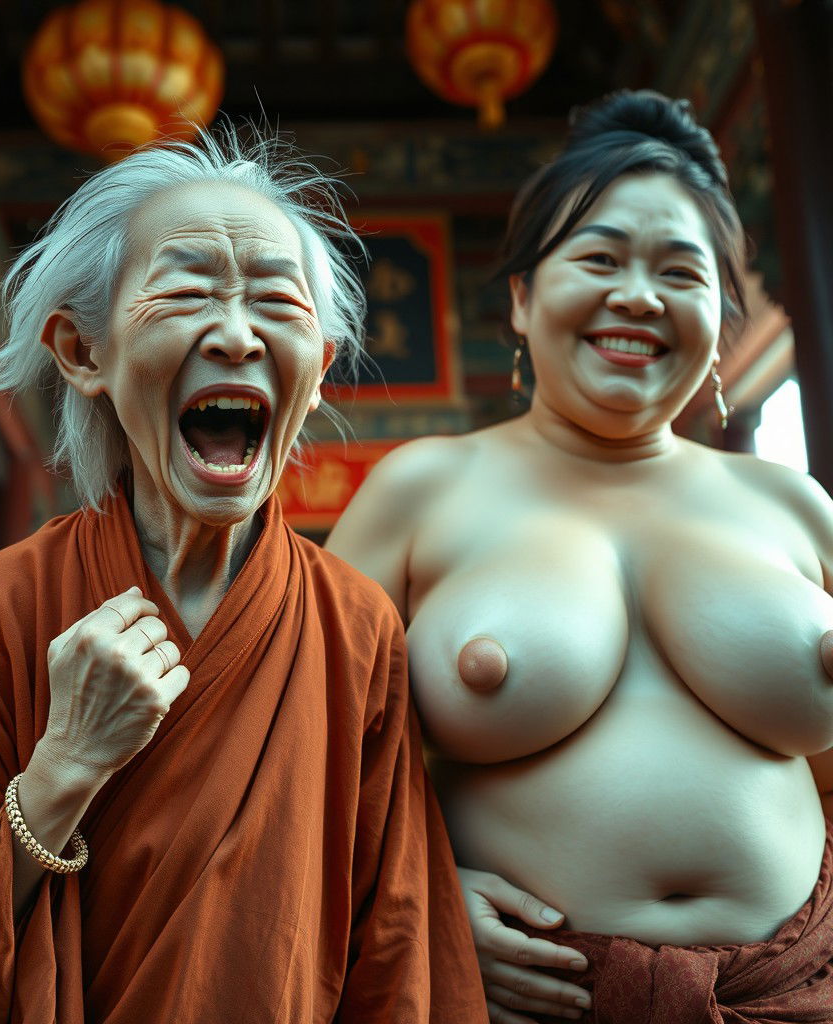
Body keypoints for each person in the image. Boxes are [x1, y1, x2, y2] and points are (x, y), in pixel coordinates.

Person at [0, 128, 485, 1023]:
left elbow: (397, 949)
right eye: (187, 293)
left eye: (278, 301)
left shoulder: (355, 624)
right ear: (84, 354)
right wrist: (66, 764)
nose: (235, 334)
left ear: (318, 372)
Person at [327, 90, 833, 1023]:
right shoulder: (423, 488)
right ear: (522, 298)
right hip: (526, 995)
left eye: (680, 272)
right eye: (599, 258)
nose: (638, 295)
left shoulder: (794, 506)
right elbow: (309, 750)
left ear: (722, 317)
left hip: (794, 991)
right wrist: (415, 890)